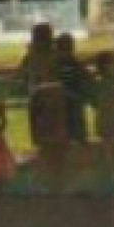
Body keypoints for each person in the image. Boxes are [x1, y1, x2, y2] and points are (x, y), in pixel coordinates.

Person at [21, 22, 69, 164]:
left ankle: (46, 157)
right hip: (57, 93)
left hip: (39, 94)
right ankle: (58, 158)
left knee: (41, 129)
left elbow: (24, 73)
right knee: (58, 128)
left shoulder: (32, 55)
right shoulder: (56, 54)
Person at [55, 32, 93, 144]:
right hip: (62, 95)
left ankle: (79, 135)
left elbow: (85, 75)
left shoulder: (73, 62)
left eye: (69, 48)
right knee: (68, 115)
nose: (67, 52)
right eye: (64, 48)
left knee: (76, 112)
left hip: (74, 94)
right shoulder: (57, 63)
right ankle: (71, 136)